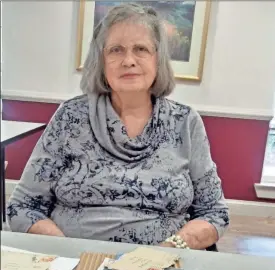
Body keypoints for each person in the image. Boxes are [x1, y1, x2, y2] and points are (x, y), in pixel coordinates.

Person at [7, 3, 229, 250]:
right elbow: (22, 207)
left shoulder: (185, 122)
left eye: (141, 49)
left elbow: (214, 213)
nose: (129, 60)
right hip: (76, 264)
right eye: (116, 50)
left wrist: (169, 251)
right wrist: (69, 253)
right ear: (101, 61)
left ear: (158, 59)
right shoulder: (70, 116)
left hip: (163, 265)